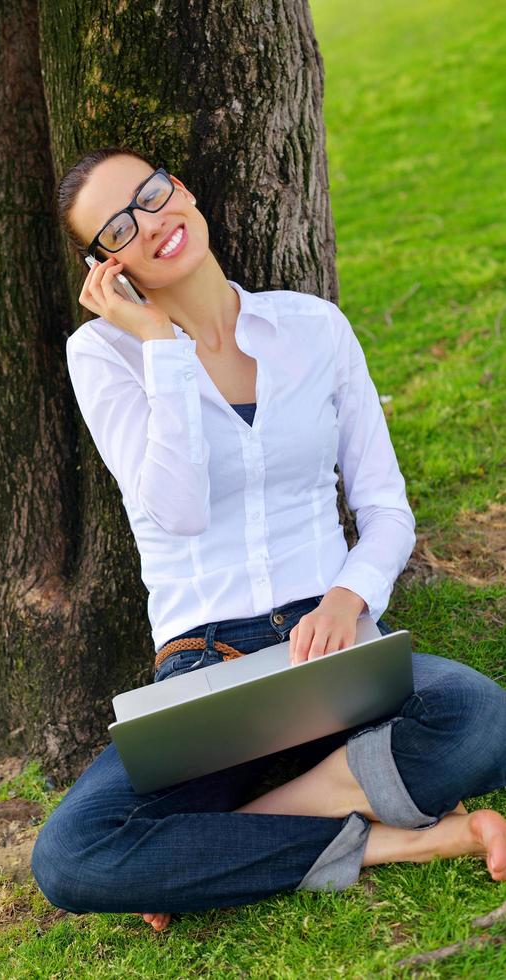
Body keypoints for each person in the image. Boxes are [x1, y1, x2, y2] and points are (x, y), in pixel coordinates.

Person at [30, 145, 506, 932]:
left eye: (152, 194)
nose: (150, 222)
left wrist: (348, 599)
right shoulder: (104, 355)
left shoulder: (311, 328)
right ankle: (393, 842)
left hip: (336, 652)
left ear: (180, 187)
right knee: (71, 854)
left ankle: (226, 839)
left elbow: (385, 508)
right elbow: (176, 511)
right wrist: (158, 344)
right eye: (118, 227)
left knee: (481, 718)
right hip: (206, 673)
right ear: (104, 267)